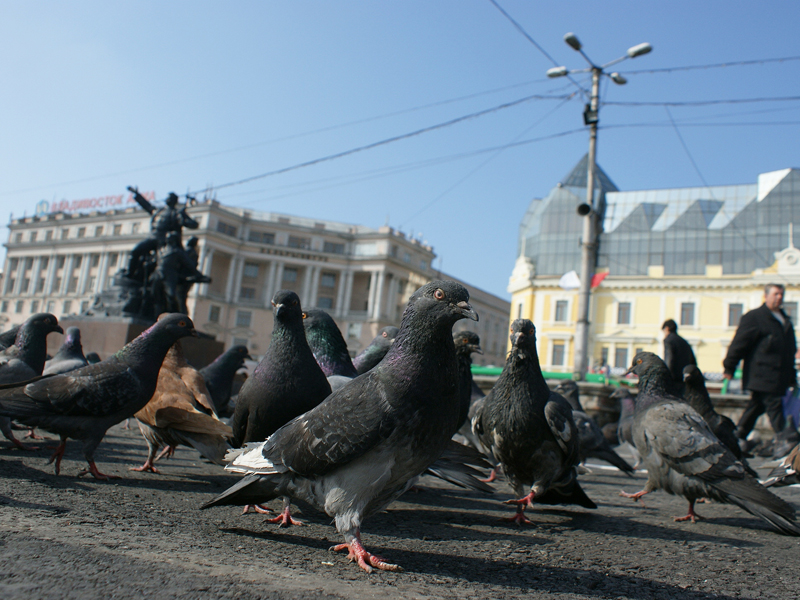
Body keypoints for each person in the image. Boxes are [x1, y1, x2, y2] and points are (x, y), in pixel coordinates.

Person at [723, 283, 797, 441]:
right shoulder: (755, 317)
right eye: (776, 294)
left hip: (779, 376)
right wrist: (729, 366)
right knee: (774, 405)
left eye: (781, 294)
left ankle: (736, 437)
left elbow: (790, 351)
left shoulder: (785, 320)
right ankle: (785, 440)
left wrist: (791, 376)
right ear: (766, 296)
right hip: (762, 373)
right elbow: (739, 343)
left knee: (757, 406)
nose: (779, 297)